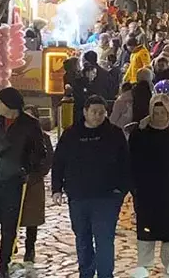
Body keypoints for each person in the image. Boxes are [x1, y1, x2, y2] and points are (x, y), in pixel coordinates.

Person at [52, 95, 131, 278]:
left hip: (107, 197)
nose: (98, 116)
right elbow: (59, 162)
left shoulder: (114, 134)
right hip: (78, 197)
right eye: (94, 112)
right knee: (82, 239)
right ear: (85, 112)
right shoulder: (71, 134)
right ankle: (85, 273)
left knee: (104, 240)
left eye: (102, 112)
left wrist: (121, 189)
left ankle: (105, 275)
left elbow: (126, 163)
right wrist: (57, 188)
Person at [0, 87, 46, 278]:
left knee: (9, 227)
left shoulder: (30, 125)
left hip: (12, 182)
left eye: (0, 102)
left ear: (10, 105)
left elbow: (39, 154)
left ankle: (3, 265)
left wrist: (24, 168)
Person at [129, 94, 169, 278]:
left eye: (163, 112)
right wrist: (133, 185)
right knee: (146, 226)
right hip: (147, 188)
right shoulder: (140, 132)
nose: (160, 116)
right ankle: (144, 263)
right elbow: (131, 160)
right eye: (155, 113)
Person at [19, 105, 55, 263]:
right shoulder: (15, 135)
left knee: (32, 219)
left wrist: (38, 173)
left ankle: (29, 248)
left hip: (34, 183)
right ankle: (10, 244)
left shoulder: (43, 138)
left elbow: (48, 160)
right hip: (16, 182)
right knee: (12, 215)